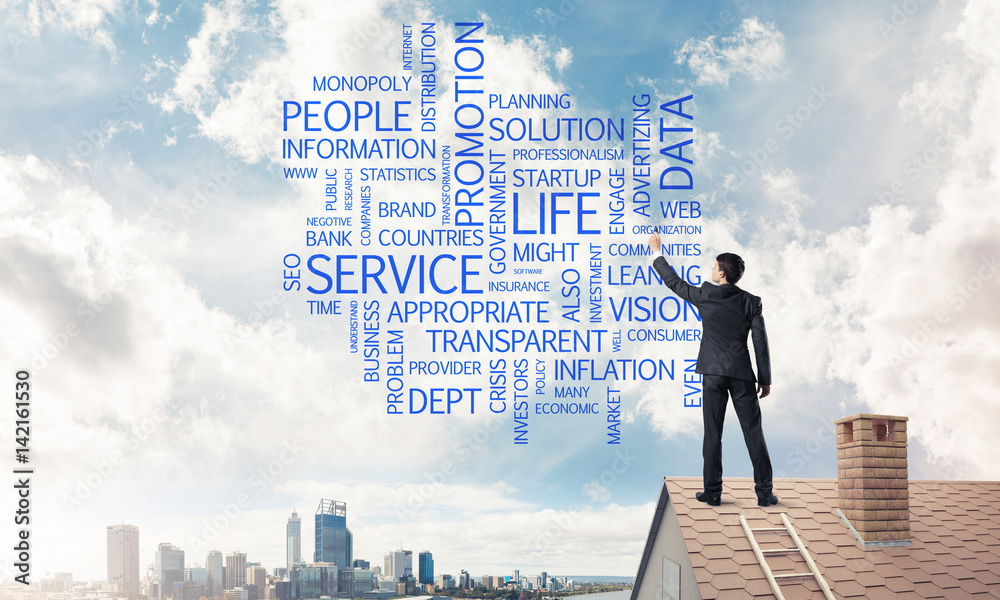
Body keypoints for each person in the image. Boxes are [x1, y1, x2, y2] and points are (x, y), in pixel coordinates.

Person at [647, 231, 777, 507]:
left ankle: (713, 492)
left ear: (720, 273)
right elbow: (760, 343)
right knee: (754, 433)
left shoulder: (706, 294)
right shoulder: (751, 302)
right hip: (743, 375)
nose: (711, 271)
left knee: (713, 433)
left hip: (713, 372)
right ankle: (765, 494)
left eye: (714, 267)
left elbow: (674, 283)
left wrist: (657, 253)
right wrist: (764, 379)